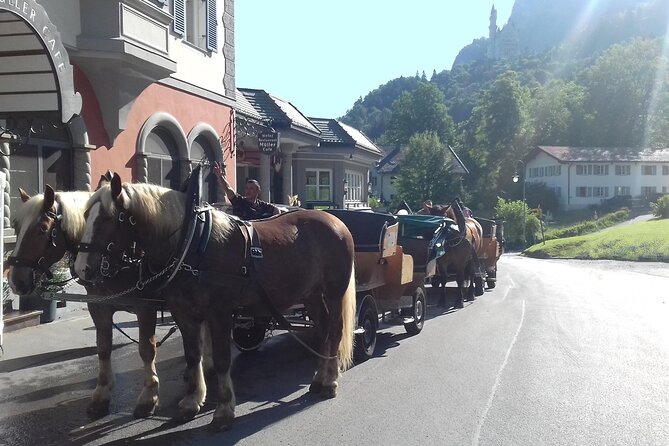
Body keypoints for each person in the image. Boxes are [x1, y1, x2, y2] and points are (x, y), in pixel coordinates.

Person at [213, 161, 281, 220]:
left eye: (251, 188)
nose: (248, 191)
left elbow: (277, 211)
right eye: (247, 188)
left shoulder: (262, 205)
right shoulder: (239, 202)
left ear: (258, 191)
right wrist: (220, 177)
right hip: (242, 232)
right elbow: (228, 189)